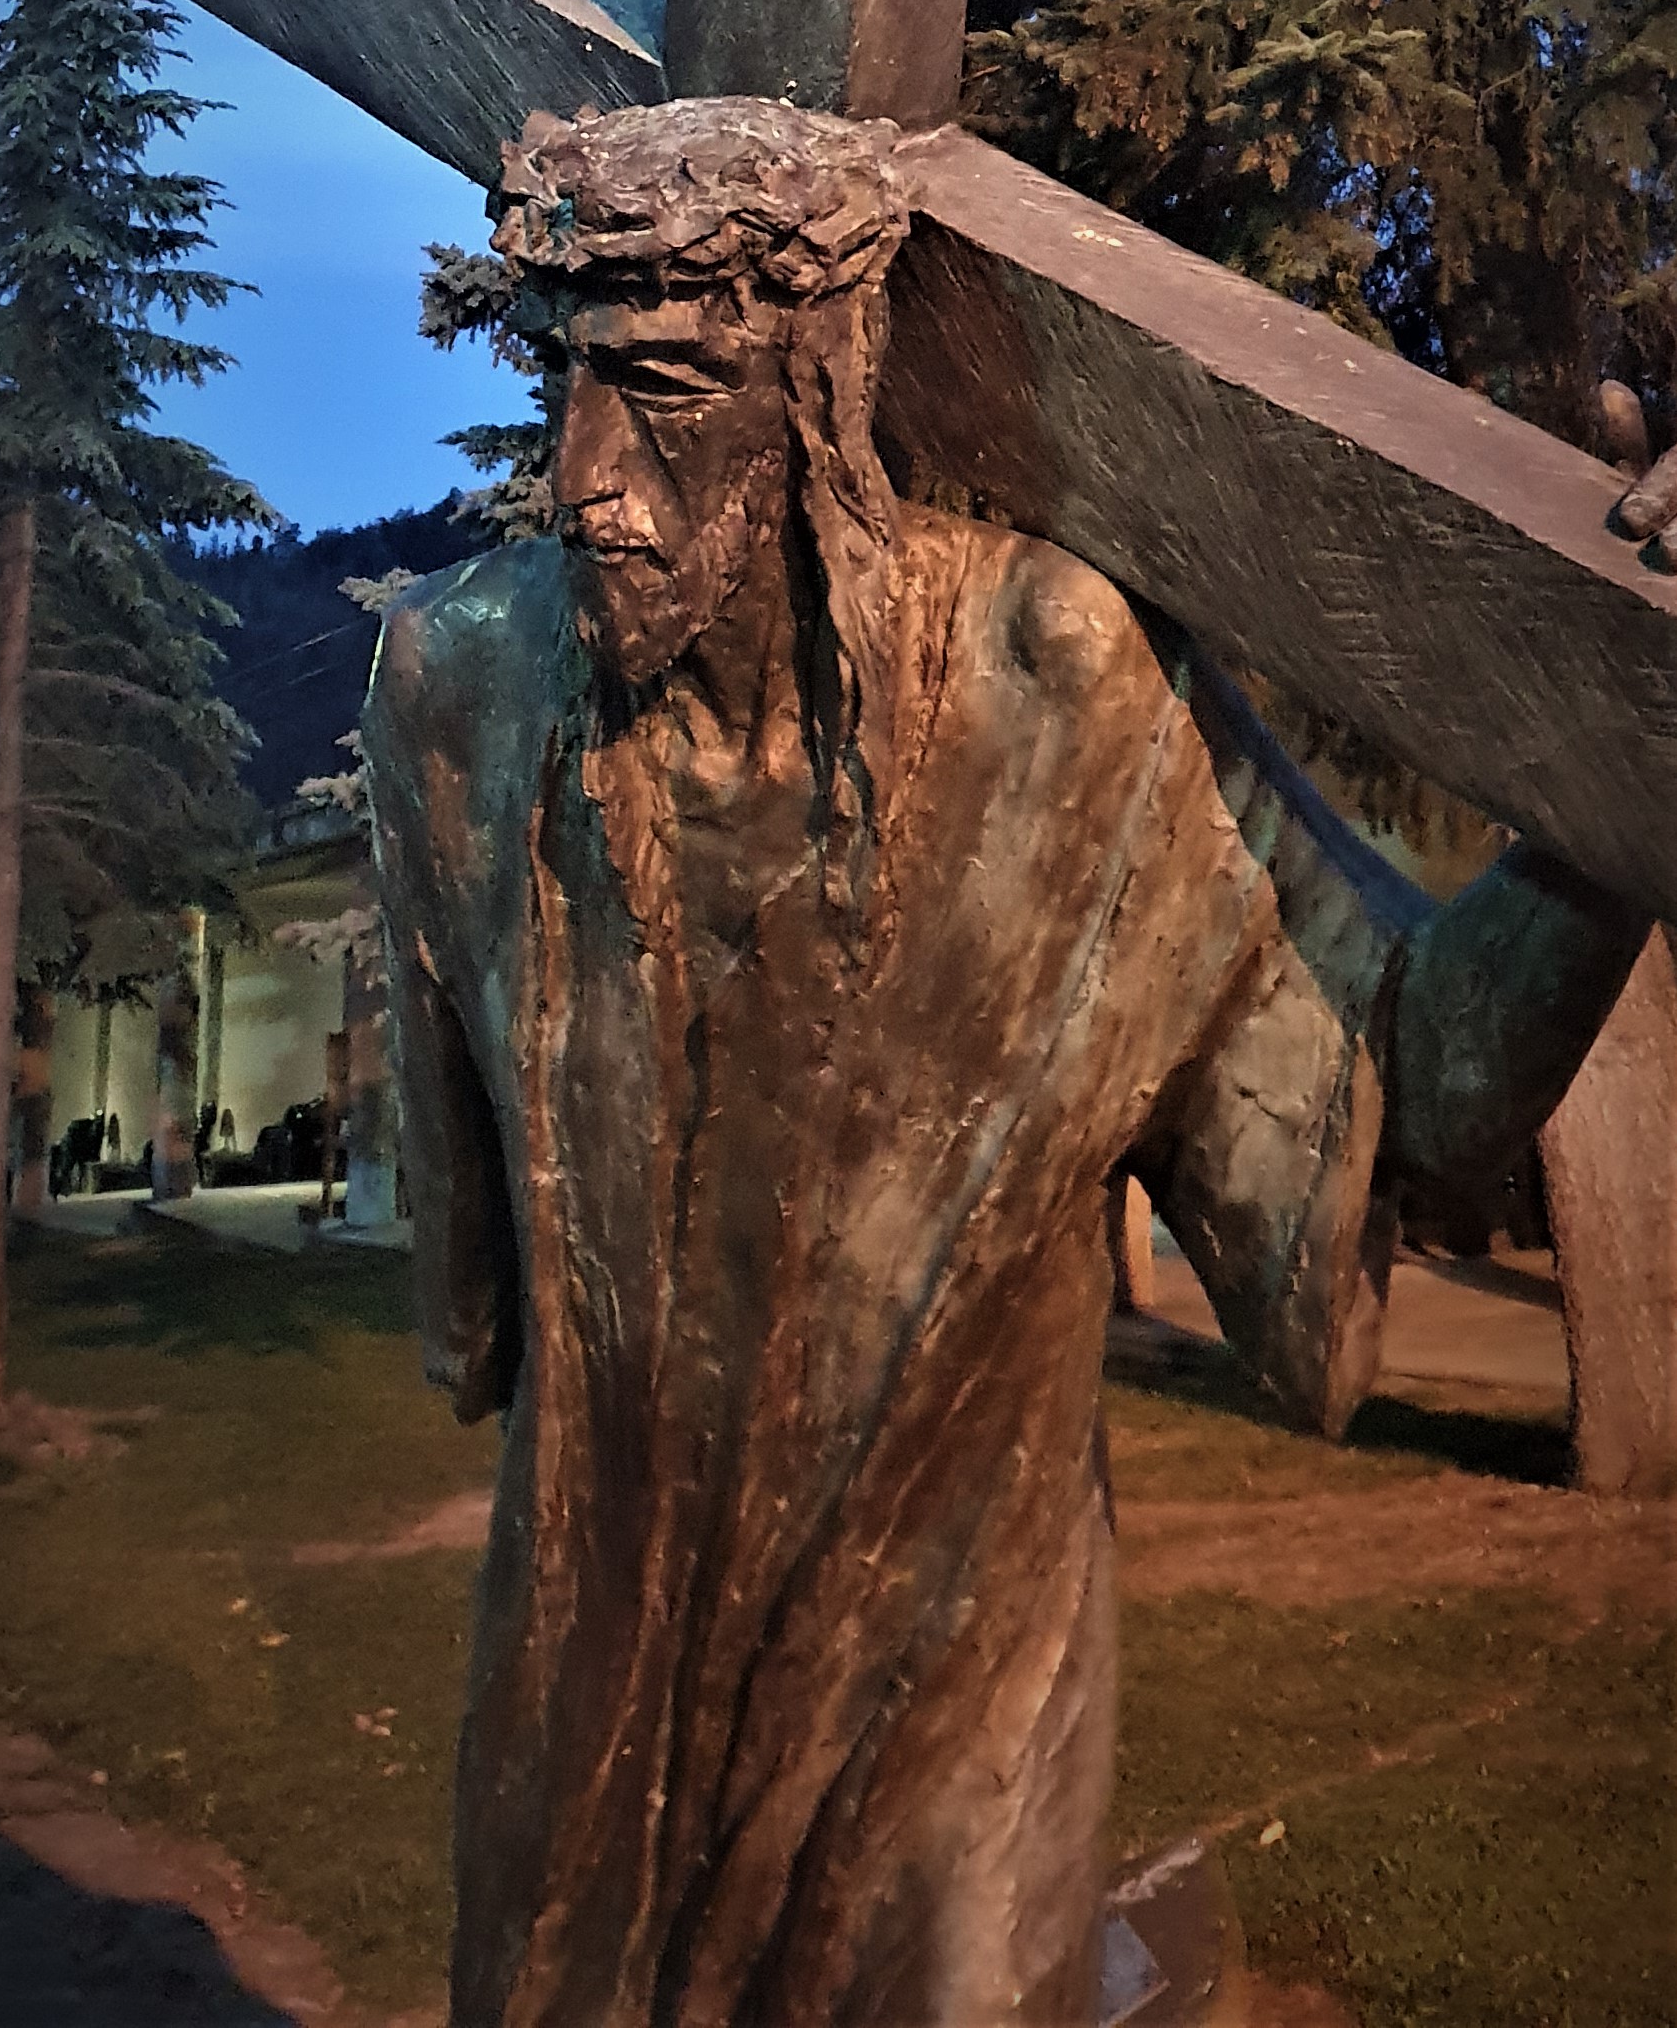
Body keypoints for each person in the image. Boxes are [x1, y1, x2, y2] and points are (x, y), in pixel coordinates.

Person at [366, 98, 1651, 2028]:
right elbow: (479, 1289)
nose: (585, 477)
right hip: (598, 1676)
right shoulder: (465, 693)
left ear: (817, 389)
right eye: (570, 380)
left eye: (666, 393)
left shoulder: (1054, 692)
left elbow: (1406, 1088)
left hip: (948, 1698)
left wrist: (1628, 760)